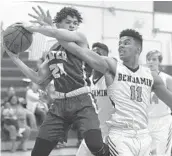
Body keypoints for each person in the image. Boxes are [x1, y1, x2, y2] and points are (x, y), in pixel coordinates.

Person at [44, 29, 172, 155]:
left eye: (126, 43)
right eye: (120, 43)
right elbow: (79, 51)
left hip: (144, 134)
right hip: (121, 136)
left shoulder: (152, 76)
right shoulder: (113, 67)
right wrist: (54, 30)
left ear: (138, 49)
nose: (121, 45)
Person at [4, 6, 109, 156]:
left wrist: (33, 27)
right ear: (59, 24)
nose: (72, 25)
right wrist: (15, 58)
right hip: (59, 104)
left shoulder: (80, 39)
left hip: (82, 99)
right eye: (68, 22)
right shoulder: (52, 50)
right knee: (38, 153)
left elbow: (56, 33)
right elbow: (39, 79)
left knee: (95, 145)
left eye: (75, 23)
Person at [146, 50, 172, 156]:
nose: (151, 62)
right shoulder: (141, 78)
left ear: (159, 62)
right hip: (146, 122)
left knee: (162, 153)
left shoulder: (167, 78)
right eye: (149, 59)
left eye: (154, 59)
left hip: (163, 121)